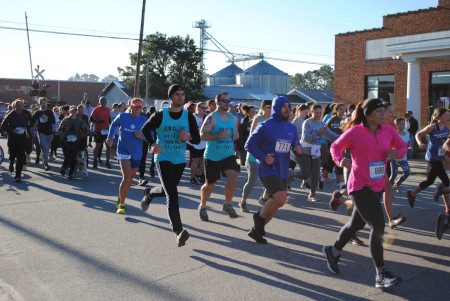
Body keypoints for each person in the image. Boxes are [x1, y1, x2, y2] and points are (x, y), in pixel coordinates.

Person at [323, 98, 406, 289]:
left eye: (384, 112)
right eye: (379, 112)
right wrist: (339, 161)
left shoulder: (389, 131)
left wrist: (397, 154)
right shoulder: (355, 132)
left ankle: (333, 251)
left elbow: (401, 147)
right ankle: (381, 273)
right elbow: (335, 146)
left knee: (356, 223)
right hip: (359, 185)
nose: (384, 115)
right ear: (369, 115)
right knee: (378, 225)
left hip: (377, 185)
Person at [140, 84, 200, 247]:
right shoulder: (161, 115)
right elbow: (145, 129)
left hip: (179, 160)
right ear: (171, 97)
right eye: (177, 95)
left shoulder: (188, 116)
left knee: (169, 189)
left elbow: (197, 139)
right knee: (172, 195)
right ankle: (178, 231)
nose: (181, 97)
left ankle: (150, 193)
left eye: (183, 94)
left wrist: (188, 137)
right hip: (163, 158)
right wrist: (152, 144)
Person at [245, 96, 302, 243]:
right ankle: (258, 219)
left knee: (278, 202)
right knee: (281, 198)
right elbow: (249, 145)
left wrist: (298, 148)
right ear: (277, 107)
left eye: (289, 107)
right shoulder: (265, 126)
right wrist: (263, 157)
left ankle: (256, 231)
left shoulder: (291, 127)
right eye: (284, 107)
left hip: (283, 169)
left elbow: (296, 147)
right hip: (267, 168)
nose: (287, 110)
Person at [198, 91, 240, 221]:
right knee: (210, 184)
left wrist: (235, 136)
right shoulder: (212, 117)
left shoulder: (233, 118)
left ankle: (227, 204)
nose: (227, 103)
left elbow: (235, 134)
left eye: (229, 101)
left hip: (228, 154)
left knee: (233, 178)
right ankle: (203, 206)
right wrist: (218, 135)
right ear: (217, 103)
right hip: (212, 156)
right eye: (224, 101)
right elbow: (202, 135)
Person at [105, 98, 148, 214]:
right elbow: (113, 124)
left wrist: (142, 136)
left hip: (137, 153)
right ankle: (122, 204)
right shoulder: (123, 116)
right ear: (130, 107)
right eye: (135, 106)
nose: (137, 109)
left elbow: (151, 135)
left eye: (140, 107)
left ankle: (121, 196)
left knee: (130, 180)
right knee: (127, 177)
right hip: (123, 151)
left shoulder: (144, 120)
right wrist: (110, 137)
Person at [293, 104, 338, 202]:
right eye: (316, 112)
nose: (318, 115)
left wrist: (343, 137)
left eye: (320, 113)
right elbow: (306, 138)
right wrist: (318, 133)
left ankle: (312, 195)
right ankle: (290, 173)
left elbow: (331, 135)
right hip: (305, 151)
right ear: (311, 112)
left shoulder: (322, 124)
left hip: (316, 151)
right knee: (306, 174)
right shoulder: (307, 122)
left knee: (316, 172)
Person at [408, 108, 450, 210]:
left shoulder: (446, 128)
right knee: (446, 182)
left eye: (449, 115)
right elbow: (418, 134)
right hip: (432, 158)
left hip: (440, 157)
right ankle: (440, 190)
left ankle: (412, 194)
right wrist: (420, 143)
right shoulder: (432, 127)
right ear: (438, 117)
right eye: (446, 115)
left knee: (429, 181)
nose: (448, 117)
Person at [0, 99, 31, 182]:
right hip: (13, 138)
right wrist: (11, 130)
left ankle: (18, 175)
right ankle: (11, 163)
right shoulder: (10, 115)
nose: (19, 107)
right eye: (18, 106)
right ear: (14, 106)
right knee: (13, 154)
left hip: (22, 138)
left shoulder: (25, 116)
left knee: (21, 156)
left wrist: (28, 133)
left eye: (21, 106)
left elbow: (28, 125)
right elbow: (3, 126)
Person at [58, 106, 90, 179]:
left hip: (76, 141)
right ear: (70, 111)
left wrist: (85, 134)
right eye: (72, 111)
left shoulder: (80, 120)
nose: (74, 112)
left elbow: (86, 128)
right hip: (66, 141)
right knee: (67, 156)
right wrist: (62, 136)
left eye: (75, 110)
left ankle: (70, 173)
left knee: (73, 157)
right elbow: (60, 129)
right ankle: (64, 167)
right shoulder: (66, 120)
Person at [31, 97, 55, 170]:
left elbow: (53, 121)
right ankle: (46, 164)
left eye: (44, 102)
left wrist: (47, 118)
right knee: (44, 147)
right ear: (39, 104)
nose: (43, 104)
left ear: (46, 103)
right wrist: (35, 126)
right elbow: (32, 121)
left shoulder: (49, 112)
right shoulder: (38, 112)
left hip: (50, 133)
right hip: (41, 132)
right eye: (41, 103)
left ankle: (43, 158)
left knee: (47, 148)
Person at [186, 101, 207, 185]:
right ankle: (192, 178)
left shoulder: (206, 118)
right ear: (197, 108)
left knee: (205, 161)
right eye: (202, 108)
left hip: (204, 142)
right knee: (196, 161)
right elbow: (187, 129)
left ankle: (199, 174)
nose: (204, 110)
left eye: (205, 108)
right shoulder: (192, 117)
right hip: (194, 143)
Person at [390, 117, 411, 195]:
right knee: (393, 175)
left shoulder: (407, 133)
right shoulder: (394, 134)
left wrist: (409, 147)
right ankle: (388, 191)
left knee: (407, 172)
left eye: (403, 124)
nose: (402, 126)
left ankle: (397, 184)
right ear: (396, 125)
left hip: (403, 158)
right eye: (400, 124)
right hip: (395, 158)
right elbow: (391, 145)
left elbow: (408, 143)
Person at [90, 97, 111, 169]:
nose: (104, 104)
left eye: (105, 102)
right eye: (102, 102)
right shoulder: (96, 109)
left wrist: (111, 127)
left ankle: (107, 162)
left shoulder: (108, 109)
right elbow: (91, 119)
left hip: (106, 130)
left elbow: (109, 118)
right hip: (98, 130)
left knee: (108, 146)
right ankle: (95, 160)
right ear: (100, 103)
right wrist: (97, 121)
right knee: (98, 145)